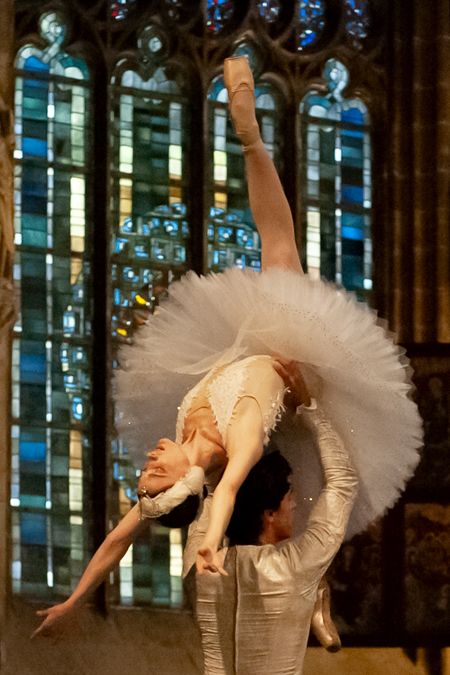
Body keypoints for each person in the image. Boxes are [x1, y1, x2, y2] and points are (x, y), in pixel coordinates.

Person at [115, 54, 422, 564]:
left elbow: (118, 538)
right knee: (278, 244)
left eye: (145, 471)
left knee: (278, 245)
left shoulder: (182, 447)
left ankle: (249, 136)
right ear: (186, 481)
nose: (148, 459)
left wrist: (71, 602)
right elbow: (228, 493)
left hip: (243, 356)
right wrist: (208, 547)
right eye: (154, 472)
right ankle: (250, 136)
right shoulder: (235, 451)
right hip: (288, 362)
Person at [182, 374, 358, 674]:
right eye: (289, 496)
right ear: (270, 513)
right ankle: (318, 594)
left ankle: (317, 594)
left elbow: (216, 491)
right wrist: (308, 407)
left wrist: (237, 445)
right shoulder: (296, 564)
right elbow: (343, 481)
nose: (295, 504)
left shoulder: (198, 568)